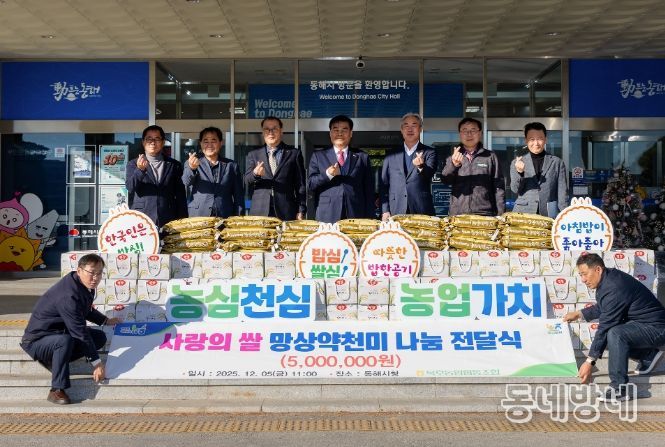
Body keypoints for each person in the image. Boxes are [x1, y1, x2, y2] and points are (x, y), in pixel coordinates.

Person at [20, 254, 121, 405]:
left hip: (60, 333)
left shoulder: (83, 285)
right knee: (64, 341)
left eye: (99, 273)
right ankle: (56, 390)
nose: (95, 278)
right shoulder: (68, 294)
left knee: (99, 337)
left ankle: (55, 361)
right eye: (92, 273)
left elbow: (85, 309)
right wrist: (97, 363)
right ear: (79, 270)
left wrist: (105, 321)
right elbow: (79, 331)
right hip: (38, 341)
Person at [563, 253, 665, 401]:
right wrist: (579, 314)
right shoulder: (608, 280)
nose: (583, 279)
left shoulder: (614, 286)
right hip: (642, 325)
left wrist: (589, 361)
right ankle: (647, 355)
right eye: (580, 275)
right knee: (608, 337)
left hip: (657, 329)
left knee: (615, 334)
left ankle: (619, 389)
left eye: (585, 274)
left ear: (598, 269)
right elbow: (605, 307)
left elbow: (605, 326)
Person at [308, 115, 374, 223]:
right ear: (330, 133)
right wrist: (328, 174)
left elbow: (368, 190)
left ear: (351, 133)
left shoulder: (362, 157)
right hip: (327, 213)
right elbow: (311, 184)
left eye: (344, 130)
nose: (340, 133)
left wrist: (370, 219)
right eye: (336, 130)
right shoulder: (318, 155)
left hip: (355, 213)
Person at [244, 116, 306, 220]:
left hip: (286, 210)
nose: (270, 132)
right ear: (262, 132)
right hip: (260, 211)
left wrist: (301, 209)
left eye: (274, 129)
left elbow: (300, 185)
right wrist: (255, 174)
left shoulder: (294, 153)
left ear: (281, 131)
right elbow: (246, 180)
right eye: (267, 129)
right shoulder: (254, 154)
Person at [126, 125, 187, 227]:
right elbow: (130, 187)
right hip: (142, 219)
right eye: (149, 139)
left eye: (157, 139)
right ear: (143, 142)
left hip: (168, 218)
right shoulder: (133, 164)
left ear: (163, 142)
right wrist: (140, 170)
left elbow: (180, 195)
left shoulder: (174, 165)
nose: (153, 142)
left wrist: (183, 220)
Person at [441, 117, 505, 216]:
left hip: (484, 213)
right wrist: (454, 165)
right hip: (458, 213)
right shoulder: (453, 156)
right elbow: (445, 180)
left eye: (473, 130)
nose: (469, 134)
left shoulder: (490, 156)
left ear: (480, 133)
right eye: (464, 130)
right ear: (460, 134)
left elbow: (499, 187)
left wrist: (501, 214)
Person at [380, 113, 438, 220]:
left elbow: (429, 173)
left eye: (414, 125)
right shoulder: (391, 154)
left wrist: (421, 166)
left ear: (420, 129)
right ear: (401, 130)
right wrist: (385, 210)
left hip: (421, 208)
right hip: (395, 208)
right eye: (406, 126)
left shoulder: (429, 152)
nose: (410, 129)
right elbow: (384, 184)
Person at [182, 126, 244, 218]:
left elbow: (238, 196)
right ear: (200, 143)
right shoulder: (192, 162)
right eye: (206, 141)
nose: (209, 145)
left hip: (224, 216)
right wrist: (192, 168)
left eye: (213, 141)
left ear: (220, 143)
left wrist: (239, 218)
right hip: (199, 215)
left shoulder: (232, 166)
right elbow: (186, 182)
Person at [510, 122, 568, 217]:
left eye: (540, 139)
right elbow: (515, 189)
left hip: (548, 213)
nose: (536, 143)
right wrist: (520, 173)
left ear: (545, 140)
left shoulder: (557, 162)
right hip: (523, 213)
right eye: (532, 139)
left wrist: (564, 215)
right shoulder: (517, 162)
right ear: (526, 140)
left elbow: (562, 192)